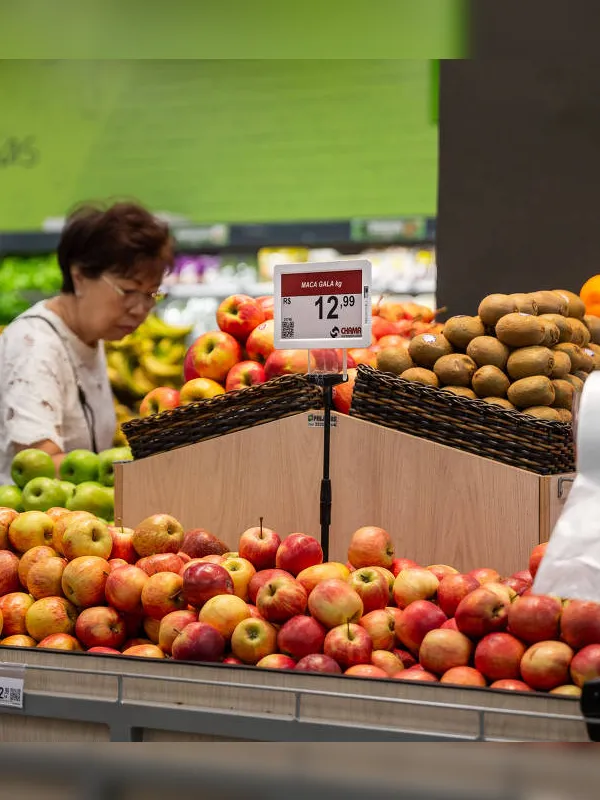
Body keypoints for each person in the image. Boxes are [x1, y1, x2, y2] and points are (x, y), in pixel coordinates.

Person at [0, 201, 173, 484]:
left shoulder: (89, 337)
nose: (140, 309)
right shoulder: (35, 345)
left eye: (151, 295)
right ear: (79, 276)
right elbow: (39, 466)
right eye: (128, 291)